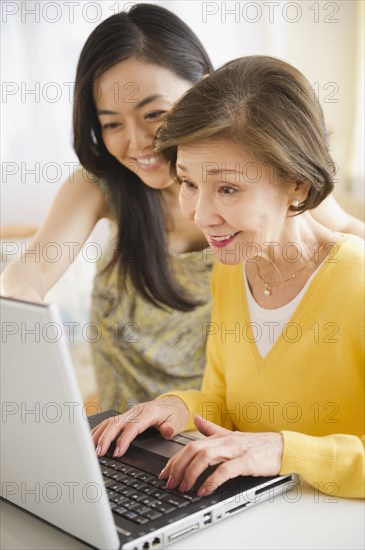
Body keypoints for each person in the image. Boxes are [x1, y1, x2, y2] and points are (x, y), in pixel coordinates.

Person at [1, 5, 363, 412]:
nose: (137, 143)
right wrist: (22, 303)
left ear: (204, 90)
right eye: (112, 124)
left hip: (216, 419)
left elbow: (346, 231)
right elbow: (33, 265)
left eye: (154, 114)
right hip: (132, 426)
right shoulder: (100, 184)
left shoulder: (269, 178)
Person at [91, 55, 364, 499]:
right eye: (189, 183)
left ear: (296, 183)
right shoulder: (231, 269)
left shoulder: (358, 282)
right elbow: (226, 404)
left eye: (228, 188)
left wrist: (279, 451)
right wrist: (171, 407)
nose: (200, 215)